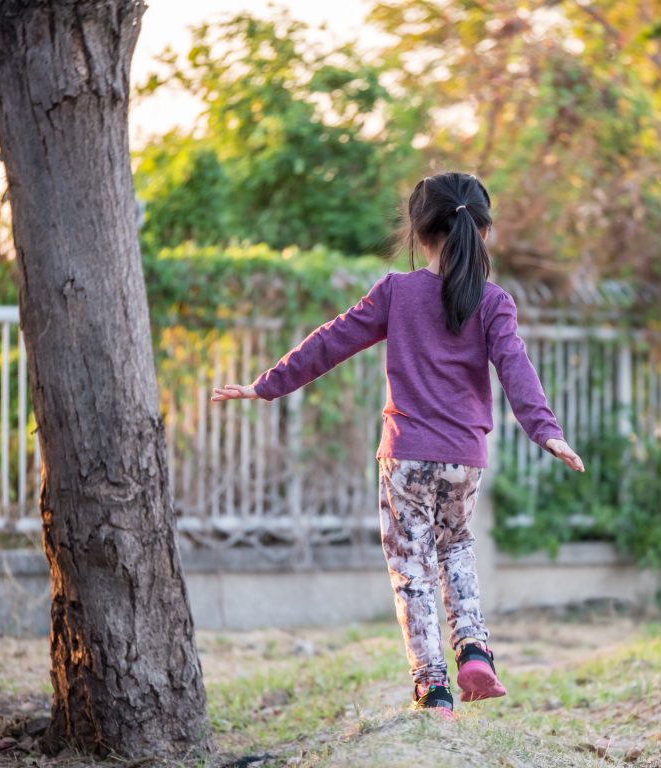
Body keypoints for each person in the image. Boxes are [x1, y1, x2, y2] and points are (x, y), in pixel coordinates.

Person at [212, 171, 584, 718]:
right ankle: (475, 649)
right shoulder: (493, 301)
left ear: (420, 231)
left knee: (410, 568)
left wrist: (267, 385)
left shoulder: (397, 291)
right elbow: (516, 368)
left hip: (406, 456)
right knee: (454, 547)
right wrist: (546, 430)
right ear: (483, 232)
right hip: (463, 459)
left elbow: (331, 340)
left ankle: (433, 689)